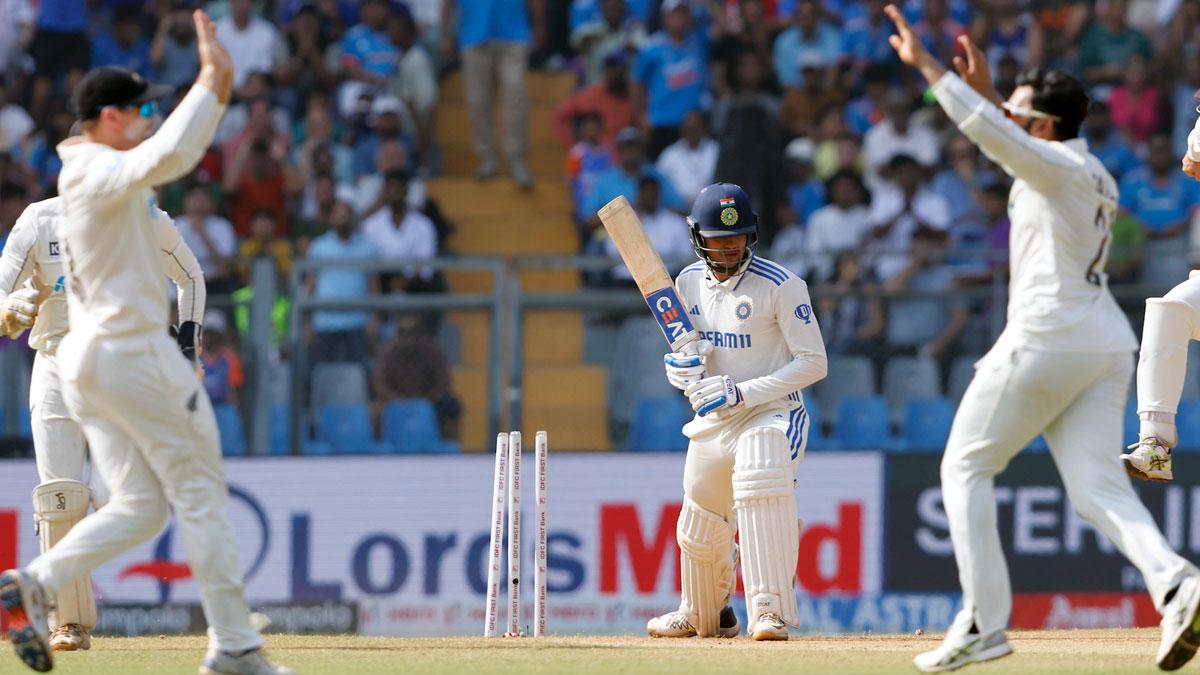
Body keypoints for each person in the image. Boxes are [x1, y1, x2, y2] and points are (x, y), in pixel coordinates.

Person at [884, 7, 1200, 672]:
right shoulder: (1089, 170)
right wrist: (995, 93)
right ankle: (1180, 584)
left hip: (1047, 334)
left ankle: (981, 622)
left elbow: (989, 133)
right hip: (1103, 341)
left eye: (1019, 111)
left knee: (964, 466)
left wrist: (935, 72)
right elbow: (1013, 136)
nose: (1007, 118)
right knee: (1099, 492)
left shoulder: (1054, 167)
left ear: (1044, 123)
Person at [0, 11, 291, 675]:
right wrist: (215, 83)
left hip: (95, 361)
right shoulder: (97, 176)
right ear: (108, 118)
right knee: (200, 492)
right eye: (140, 111)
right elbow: (178, 154)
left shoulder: (104, 178)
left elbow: (168, 189)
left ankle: (34, 585)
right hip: (127, 355)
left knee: (138, 505)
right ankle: (235, 648)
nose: (148, 120)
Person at [0, 191, 206, 652]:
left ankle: (48, 576)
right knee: (59, 498)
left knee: (124, 500)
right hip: (54, 363)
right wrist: (7, 310)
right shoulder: (39, 220)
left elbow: (190, 275)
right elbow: (1, 287)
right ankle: (68, 623)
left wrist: (189, 346)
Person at [647, 183, 827, 641]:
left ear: (752, 236)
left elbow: (814, 363)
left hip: (773, 413)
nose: (728, 249)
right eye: (718, 240)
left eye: (737, 239)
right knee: (702, 505)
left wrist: (742, 394)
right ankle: (704, 610)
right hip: (715, 419)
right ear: (697, 237)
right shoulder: (686, 282)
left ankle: (768, 611)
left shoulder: (782, 286)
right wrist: (682, 371)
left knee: (760, 473)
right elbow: (692, 356)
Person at [442, 0, 544, 188]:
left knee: (516, 99)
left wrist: (538, 24)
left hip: (514, 34)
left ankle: (516, 158)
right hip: (474, 34)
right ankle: (487, 157)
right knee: (477, 101)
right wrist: (446, 33)